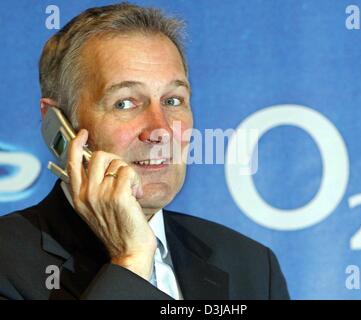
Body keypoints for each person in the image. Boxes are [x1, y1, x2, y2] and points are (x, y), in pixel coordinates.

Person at [0, 2, 289, 300]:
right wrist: (131, 261)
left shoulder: (252, 266)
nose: (160, 130)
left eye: (173, 100)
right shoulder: (7, 264)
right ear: (57, 123)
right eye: (125, 103)